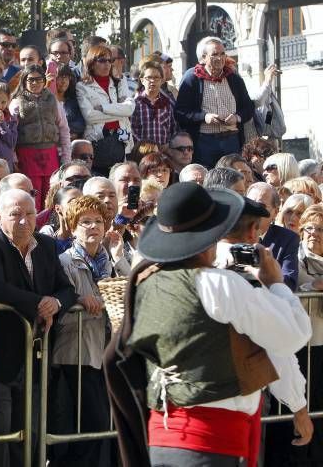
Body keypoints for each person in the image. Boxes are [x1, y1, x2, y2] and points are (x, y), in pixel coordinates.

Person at [105, 182, 311, 467]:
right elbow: (293, 335)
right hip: (210, 439)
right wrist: (276, 283)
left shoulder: (145, 281)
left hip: (163, 435)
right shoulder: (218, 284)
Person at [0, 189, 78, 467]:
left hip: (35, 359)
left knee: (30, 435)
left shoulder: (44, 244)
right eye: (15, 214)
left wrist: (55, 302)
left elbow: (67, 290)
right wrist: (39, 304)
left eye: (30, 213)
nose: (24, 221)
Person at [211, 201, 314, 467]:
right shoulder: (245, 275)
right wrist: (276, 284)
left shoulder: (180, 270)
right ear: (253, 233)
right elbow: (283, 339)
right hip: (232, 409)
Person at [50, 195, 111, 467]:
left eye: (98, 221)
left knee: (98, 426)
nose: (93, 227)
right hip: (76, 352)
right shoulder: (65, 261)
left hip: (102, 351)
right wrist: (77, 300)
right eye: (85, 222)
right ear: (73, 227)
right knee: (89, 424)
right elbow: (60, 309)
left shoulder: (108, 259)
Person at [175, 36, 255, 168]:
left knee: (232, 179)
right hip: (204, 141)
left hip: (232, 139)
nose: (220, 58)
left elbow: (249, 107)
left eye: (222, 54)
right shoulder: (192, 78)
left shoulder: (234, 78)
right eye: (214, 54)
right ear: (204, 57)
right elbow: (180, 112)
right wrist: (204, 117)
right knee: (207, 179)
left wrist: (237, 117)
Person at [289, 207, 323, 464]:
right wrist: (313, 286)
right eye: (309, 228)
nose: (314, 234)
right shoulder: (296, 258)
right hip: (304, 346)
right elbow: (291, 295)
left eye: (321, 229)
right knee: (303, 408)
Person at [12, 65, 70, 210]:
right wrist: (13, 157)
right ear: (24, 81)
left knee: (52, 194)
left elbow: (63, 129)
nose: (35, 83)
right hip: (27, 155)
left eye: (39, 79)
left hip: (50, 155)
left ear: (44, 81)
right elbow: (11, 133)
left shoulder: (53, 101)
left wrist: (66, 157)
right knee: (33, 194)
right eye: (31, 80)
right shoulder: (16, 103)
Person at [77, 44, 134, 176]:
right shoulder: (83, 86)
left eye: (110, 60)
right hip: (98, 142)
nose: (107, 64)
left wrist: (104, 108)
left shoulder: (119, 81)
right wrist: (119, 112)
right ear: (91, 62)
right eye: (102, 60)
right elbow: (90, 116)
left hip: (121, 140)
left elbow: (129, 109)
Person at [247, 182, 301, 290]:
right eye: (250, 203)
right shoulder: (232, 233)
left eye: (261, 206)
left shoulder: (287, 239)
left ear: (275, 212)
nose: (254, 210)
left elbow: (290, 281)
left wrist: (259, 276)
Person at [131, 61, 177, 146]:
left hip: (164, 153)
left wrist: (168, 145)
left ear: (161, 80)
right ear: (142, 80)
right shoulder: (135, 103)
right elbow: (131, 130)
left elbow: (173, 129)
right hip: (142, 153)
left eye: (156, 78)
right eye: (149, 77)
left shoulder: (167, 103)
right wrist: (145, 147)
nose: (152, 81)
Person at [53, 64, 84, 141]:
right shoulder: (46, 101)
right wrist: (66, 133)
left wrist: (61, 130)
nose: (63, 81)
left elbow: (81, 125)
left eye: (66, 77)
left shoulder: (73, 101)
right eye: (59, 77)